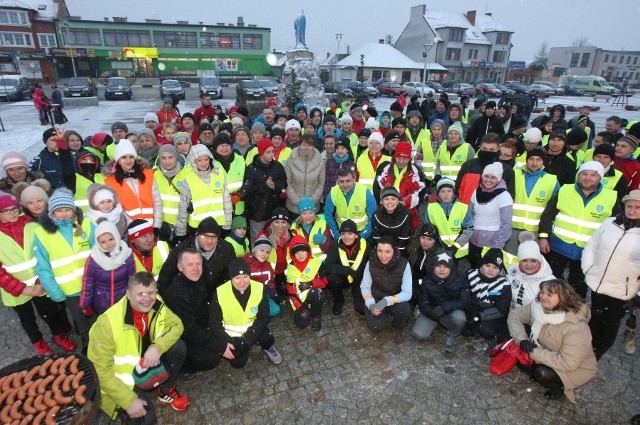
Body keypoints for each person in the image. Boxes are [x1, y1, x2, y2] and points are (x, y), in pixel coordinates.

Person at [88, 272, 190, 422]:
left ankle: (164, 389)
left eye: (151, 293)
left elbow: (176, 324)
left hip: (144, 363)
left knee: (178, 347)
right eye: (140, 294)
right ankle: (125, 410)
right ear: (128, 295)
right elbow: (99, 371)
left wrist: (157, 347)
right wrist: (128, 401)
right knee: (147, 418)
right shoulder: (106, 324)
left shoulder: (156, 303)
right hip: (124, 381)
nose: (147, 299)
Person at [0, 193, 74, 355]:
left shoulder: (33, 227)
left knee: (50, 312)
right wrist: (22, 288)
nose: (12, 213)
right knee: (27, 318)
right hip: (15, 289)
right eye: (6, 210)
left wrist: (41, 282)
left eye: (14, 209)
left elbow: (45, 254)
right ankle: (38, 342)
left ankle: (58, 335)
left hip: (40, 283)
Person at [508, 279, 597, 403]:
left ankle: (559, 388)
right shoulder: (538, 307)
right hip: (546, 350)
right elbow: (515, 316)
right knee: (517, 357)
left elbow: (568, 363)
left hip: (576, 367)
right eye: (542, 292)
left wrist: (533, 351)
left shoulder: (577, 328)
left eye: (549, 295)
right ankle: (536, 367)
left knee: (542, 373)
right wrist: (522, 339)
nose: (543, 297)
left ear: (563, 298)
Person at [538, 161, 619, 298]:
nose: (588, 178)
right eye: (584, 174)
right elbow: (547, 215)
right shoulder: (565, 190)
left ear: (600, 178)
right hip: (558, 246)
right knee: (550, 283)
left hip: (587, 251)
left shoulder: (610, 197)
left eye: (593, 175)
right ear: (578, 175)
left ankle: (575, 314)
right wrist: (543, 237)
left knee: (578, 288)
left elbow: (615, 226)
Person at [582, 190, 640, 360]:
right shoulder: (609, 223)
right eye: (629, 206)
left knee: (611, 323)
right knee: (595, 317)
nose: (632, 210)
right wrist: (588, 269)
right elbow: (592, 246)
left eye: (637, 207)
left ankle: (597, 352)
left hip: (623, 289)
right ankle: (587, 348)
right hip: (599, 281)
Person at [33, 188, 92, 351]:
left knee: (98, 317)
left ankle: (102, 343)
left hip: (92, 285)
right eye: (59, 211)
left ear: (73, 211)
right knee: (80, 320)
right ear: (52, 213)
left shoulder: (85, 224)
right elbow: (42, 266)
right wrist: (54, 290)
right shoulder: (42, 233)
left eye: (67, 210)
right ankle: (86, 343)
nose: (64, 214)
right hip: (70, 289)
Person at [210, 258, 283, 368]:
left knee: (268, 339)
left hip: (253, 329)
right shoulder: (220, 292)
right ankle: (241, 350)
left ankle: (267, 348)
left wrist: (247, 340)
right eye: (237, 278)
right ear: (231, 278)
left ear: (250, 276)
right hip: (232, 335)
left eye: (245, 276)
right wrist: (226, 341)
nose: (242, 282)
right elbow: (214, 323)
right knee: (238, 363)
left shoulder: (259, 288)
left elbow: (263, 317)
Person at [162, 248, 223, 375]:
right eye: (190, 264)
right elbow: (189, 329)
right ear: (180, 267)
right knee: (212, 359)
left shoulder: (200, 278)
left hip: (200, 326)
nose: (195, 268)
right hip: (183, 337)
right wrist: (216, 344)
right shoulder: (176, 293)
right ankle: (181, 368)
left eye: (198, 264)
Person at [411, 249, 469, 351]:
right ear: (433, 267)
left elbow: (465, 301)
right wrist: (439, 318)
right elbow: (423, 304)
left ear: (451, 268)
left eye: (446, 266)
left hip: (452, 310)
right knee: (418, 335)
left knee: (460, 318)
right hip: (433, 311)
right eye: (438, 266)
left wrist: (444, 307)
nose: (442, 269)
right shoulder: (427, 281)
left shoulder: (460, 280)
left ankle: (451, 334)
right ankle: (434, 323)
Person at [505, 148, 560, 255]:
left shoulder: (552, 180)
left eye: (538, 159)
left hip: (535, 231)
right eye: (531, 159)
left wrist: (544, 235)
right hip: (512, 228)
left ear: (543, 161)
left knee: (530, 263)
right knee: (510, 260)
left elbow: (552, 211)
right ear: (526, 160)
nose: (534, 163)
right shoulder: (514, 174)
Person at [361, 236, 412, 343]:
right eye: (380, 251)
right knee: (376, 328)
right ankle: (378, 314)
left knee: (405, 308)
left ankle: (398, 327)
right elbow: (365, 287)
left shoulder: (404, 264)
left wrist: (387, 301)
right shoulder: (371, 263)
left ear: (394, 251)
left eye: (387, 252)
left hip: (393, 299)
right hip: (375, 299)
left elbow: (407, 293)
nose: (383, 256)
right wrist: (371, 304)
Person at [80, 220, 134, 317]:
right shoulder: (94, 258)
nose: (108, 244)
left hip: (123, 300)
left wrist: (133, 299)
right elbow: (87, 283)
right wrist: (85, 304)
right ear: (97, 242)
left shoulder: (127, 255)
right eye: (103, 242)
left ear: (116, 237)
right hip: (101, 302)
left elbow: (132, 280)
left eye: (111, 239)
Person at [104, 139, 163, 229]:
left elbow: (157, 201)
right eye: (124, 157)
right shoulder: (111, 181)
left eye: (131, 157)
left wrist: (156, 226)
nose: (128, 160)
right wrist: (134, 228)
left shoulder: (147, 174)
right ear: (118, 160)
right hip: (130, 229)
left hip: (152, 227)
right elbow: (118, 209)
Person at [176, 145, 232, 238]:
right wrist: (181, 231)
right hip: (198, 226)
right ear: (194, 162)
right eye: (199, 160)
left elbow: (227, 201)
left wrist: (228, 224)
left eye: (206, 159)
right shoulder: (188, 179)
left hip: (217, 223)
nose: (203, 163)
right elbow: (183, 205)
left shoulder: (220, 175)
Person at [239, 138, 287, 242]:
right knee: (257, 240)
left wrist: (275, 186)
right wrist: (264, 185)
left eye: (272, 151)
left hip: (273, 210)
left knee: (275, 240)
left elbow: (284, 183)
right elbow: (249, 188)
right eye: (268, 152)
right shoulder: (252, 168)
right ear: (261, 152)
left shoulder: (277, 166)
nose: (271, 154)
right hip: (257, 212)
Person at [374, 141, 427, 231]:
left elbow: (420, 191)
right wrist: (388, 202)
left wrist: (405, 202)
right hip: (386, 209)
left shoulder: (416, 171)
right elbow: (377, 188)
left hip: (407, 211)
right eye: (399, 158)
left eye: (405, 159)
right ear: (395, 157)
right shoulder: (384, 168)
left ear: (409, 158)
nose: (401, 161)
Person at [468, 163, 513, 267]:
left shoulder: (504, 196)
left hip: (492, 243)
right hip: (474, 241)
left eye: (493, 177)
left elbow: (506, 224)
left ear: (499, 179)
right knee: (475, 269)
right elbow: (470, 214)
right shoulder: (476, 192)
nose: (488, 180)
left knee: (488, 272)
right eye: (486, 176)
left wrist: (497, 246)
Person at [323, 219, 372, 316]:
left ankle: (357, 295)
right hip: (343, 277)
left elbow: (374, 264)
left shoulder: (366, 245)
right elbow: (328, 265)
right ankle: (339, 300)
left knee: (361, 309)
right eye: (343, 233)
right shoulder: (336, 245)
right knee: (332, 279)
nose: (346, 237)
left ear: (356, 235)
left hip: (359, 279)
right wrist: (347, 270)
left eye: (350, 233)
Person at [465, 248, 511, 344]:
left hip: (489, 311)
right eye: (487, 265)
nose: (490, 270)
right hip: (471, 308)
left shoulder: (503, 284)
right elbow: (464, 295)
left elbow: (501, 309)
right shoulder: (471, 275)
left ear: (500, 269)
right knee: (464, 328)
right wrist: (470, 312)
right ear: (482, 264)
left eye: (495, 267)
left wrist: (481, 316)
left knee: (487, 332)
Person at [425, 178, 473, 262]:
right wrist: (440, 244)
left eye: (449, 191)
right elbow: (428, 230)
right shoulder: (431, 208)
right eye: (443, 191)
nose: (446, 194)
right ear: (438, 194)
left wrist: (455, 246)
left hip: (459, 252)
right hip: (437, 250)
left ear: (453, 192)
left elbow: (468, 229)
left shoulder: (463, 208)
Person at [286, 235, 327, 331]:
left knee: (315, 293)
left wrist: (310, 284)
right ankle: (306, 309)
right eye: (297, 252)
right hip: (299, 298)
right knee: (302, 324)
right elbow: (290, 290)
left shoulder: (317, 262)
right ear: (293, 254)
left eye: (303, 251)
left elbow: (325, 282)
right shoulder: (291, 267)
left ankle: (315, 317)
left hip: (314, 292)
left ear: (308, 250)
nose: (300, 254)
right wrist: (299, 306)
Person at [325, 167, 377, 241]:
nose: (345, 185)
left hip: (361, 232)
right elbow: (328, 216)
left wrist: (361, 237)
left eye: (348, 181)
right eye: (341, 181)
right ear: (338, 181)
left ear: (354, 179)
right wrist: (337, 236)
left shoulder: (365, 193)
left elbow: (373, 217)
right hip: (342, 232)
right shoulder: (333, 192)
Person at [507, 231, 555, 310]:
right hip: (510, 315)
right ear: (519, 262)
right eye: (524, 260)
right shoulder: (511, 271)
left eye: (533, 261)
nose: (529, 265)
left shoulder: (550, 281)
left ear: (539, 262)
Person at [284, 134, 325, 216]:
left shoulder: (320, 161)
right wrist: (297, 201)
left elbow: (321, 183)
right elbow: (287, 182)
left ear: (313, 146)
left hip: (312, 207)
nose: (306, 148)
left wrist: (311, 201)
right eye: (304, 145)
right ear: (299, 145)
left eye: (309, 145)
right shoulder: (291, 159)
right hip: (294, 207)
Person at [244, 235, 281, 316]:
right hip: (248, 295)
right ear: (254, 250)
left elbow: (270, 281)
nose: (264, 254)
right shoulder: (246, 264)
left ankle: (259, 310)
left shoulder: (267, 265)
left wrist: (269, 288)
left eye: (267, 252)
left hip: (263, 295)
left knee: (275, 311)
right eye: (261, 250)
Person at [371, 186, 412, 254]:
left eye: (393, 199)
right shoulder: (376, 215)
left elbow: (403, 239)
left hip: (399, 252)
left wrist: (395, 255)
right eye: (386, 199)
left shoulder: (406, 215)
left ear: (398, 201)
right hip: (382, 251)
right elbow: (376, 238)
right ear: (382, 201)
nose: (390, 202)